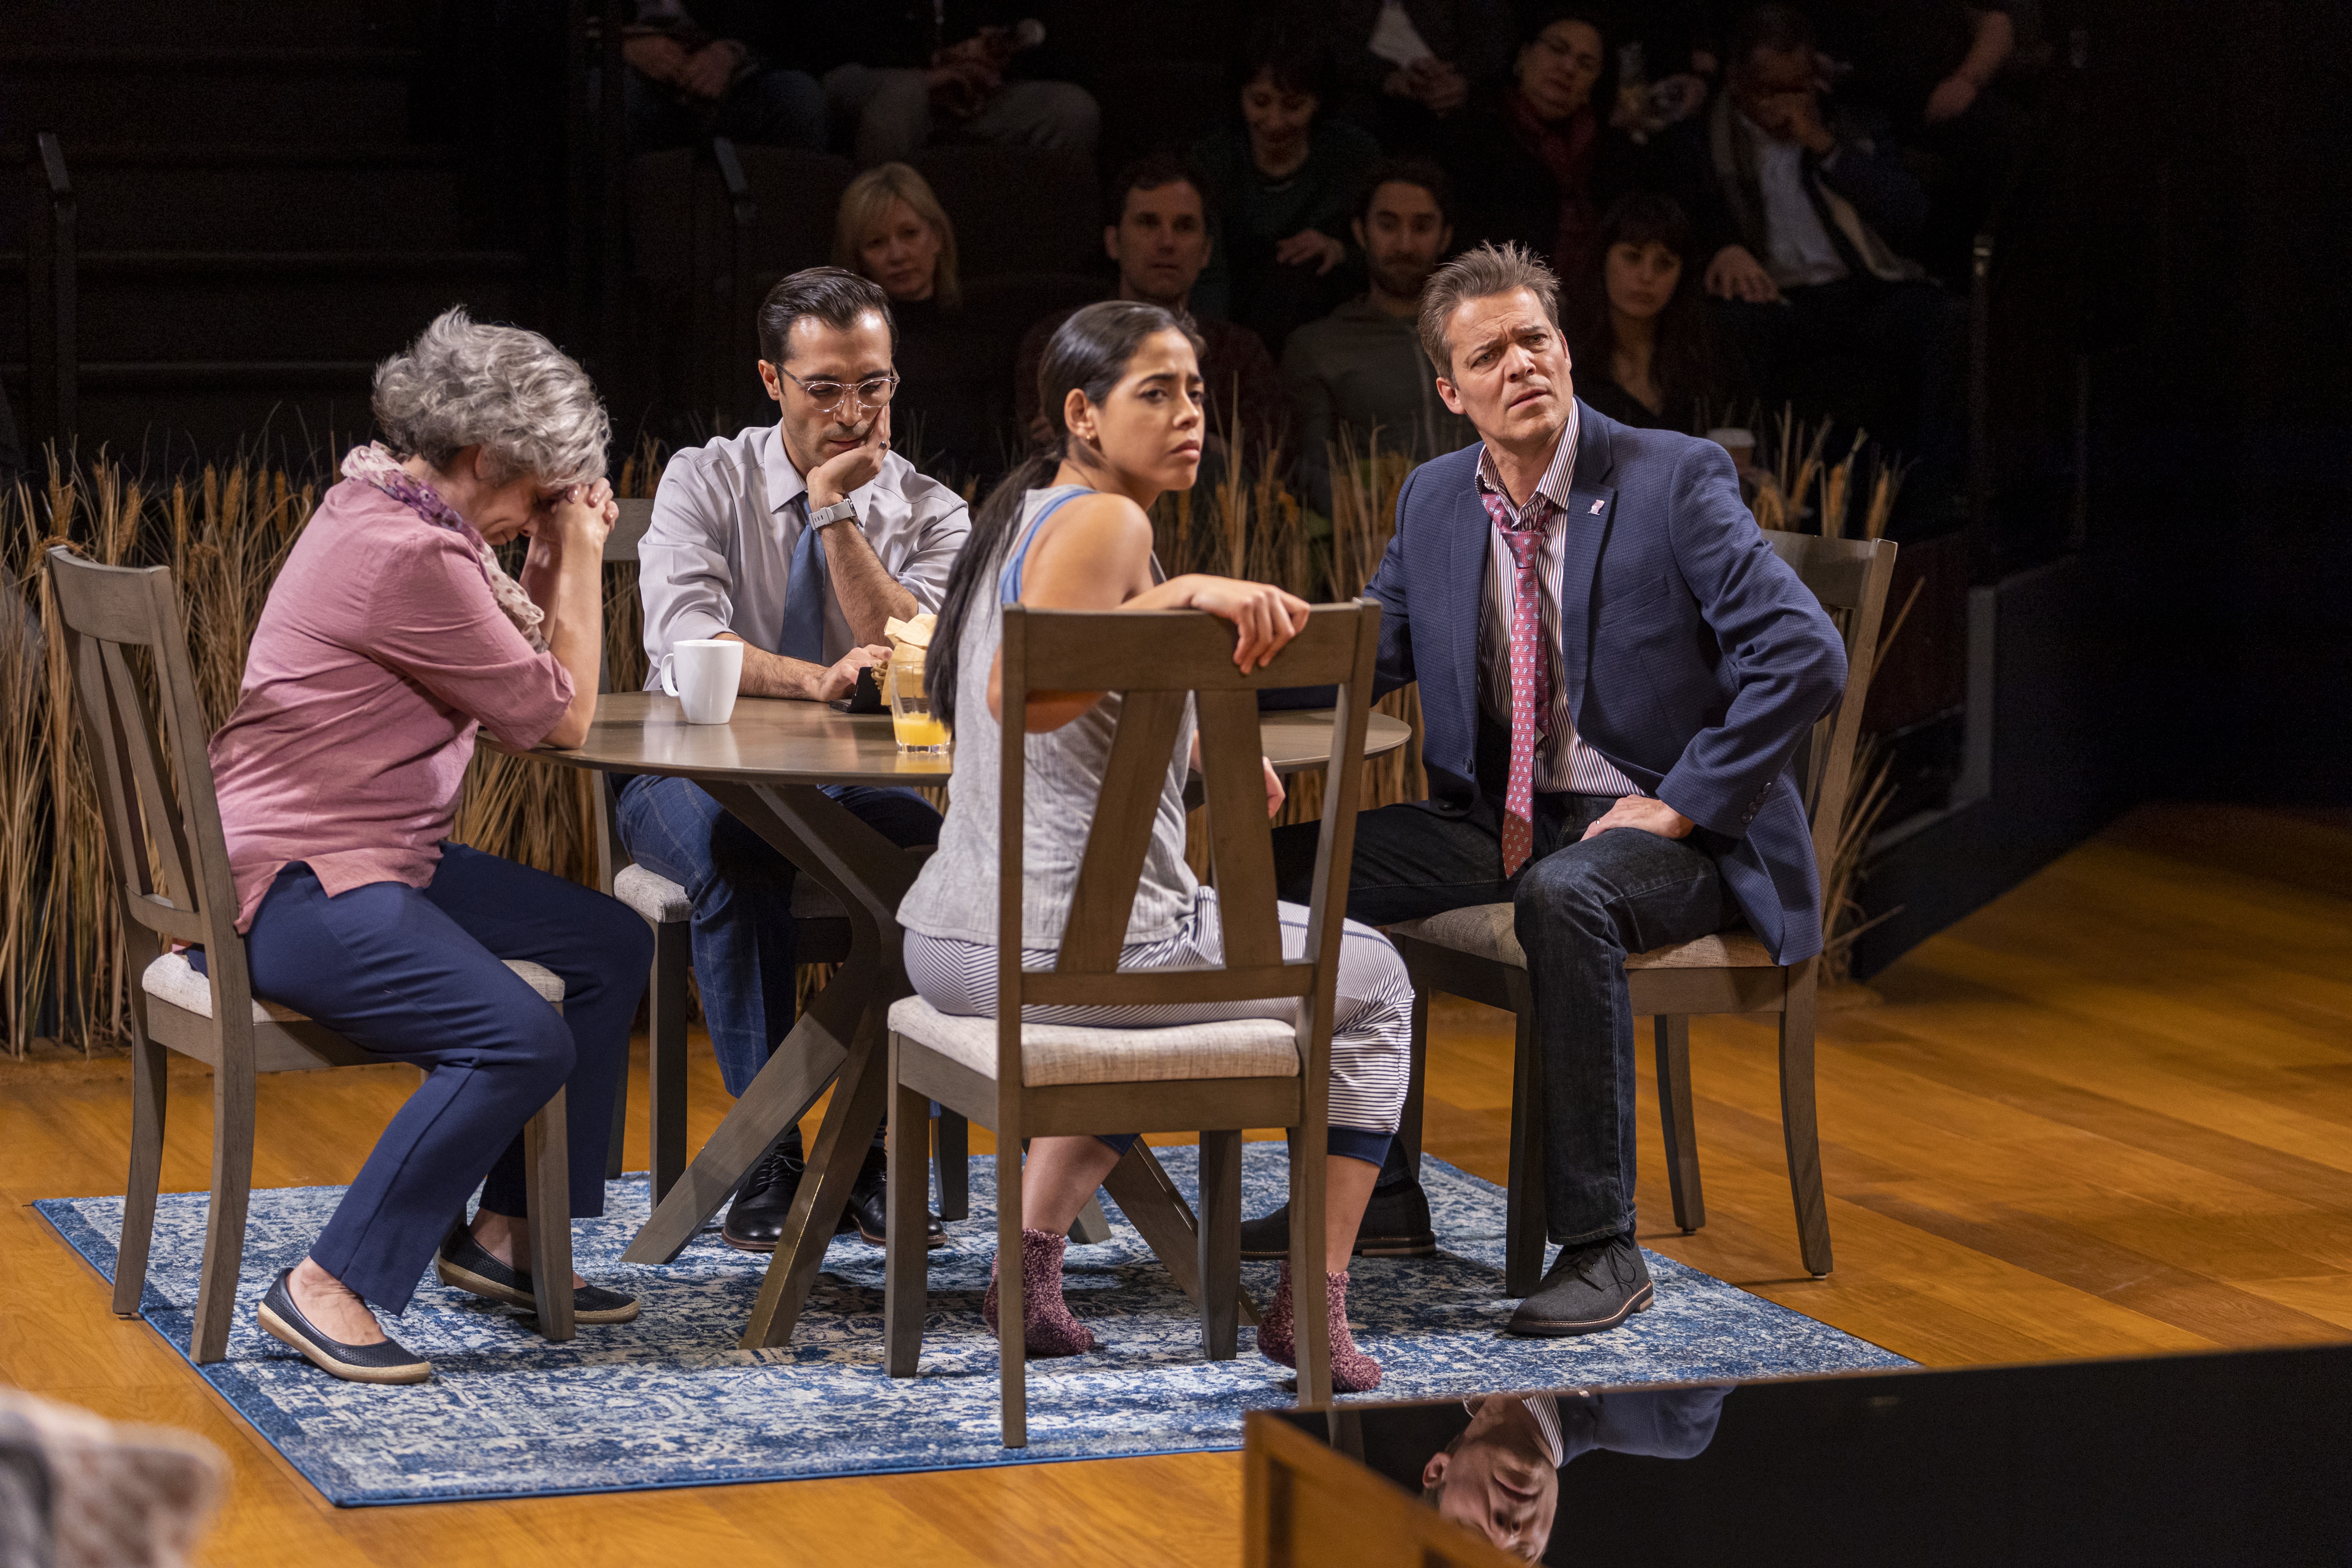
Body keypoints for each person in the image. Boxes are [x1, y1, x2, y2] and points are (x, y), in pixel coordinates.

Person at [1244, 243, 1847, 1337]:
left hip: (1677, 832)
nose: (1519, 363)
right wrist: (1201, 687)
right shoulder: (1437, 498)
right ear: (1451, 389)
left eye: (1535, 340)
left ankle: (1603, 1246)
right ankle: (1372, 1191)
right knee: (1292, 868)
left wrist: (1683, 800)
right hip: (1504, 816)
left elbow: (1804, 653)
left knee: (1563, 895)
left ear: (1564, 350)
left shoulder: (1671, 477)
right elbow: (1362, 651)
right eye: (1489, 353)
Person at [902, 300, 1415, 1392]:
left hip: (947, 935)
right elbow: (1022, 692)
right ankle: (1311, 1307)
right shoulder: (1113, 525)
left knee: (1169, 982)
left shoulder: (1028, 514)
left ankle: (1026, 1274)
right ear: (1080, 414)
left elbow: (1089, 709)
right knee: (1373, 987)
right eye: (1156, 392)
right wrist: (1184, 593)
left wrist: (1203, 752)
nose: (1189, 414)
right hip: (1049, 957)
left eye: (1192, 388)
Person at [202, 309, 653, 1384]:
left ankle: (506, 1234)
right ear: (484, 456)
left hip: (369, 854)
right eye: (536, 489)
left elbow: (519, 683)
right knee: (515, 1038)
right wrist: (581, 553)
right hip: (300, 885)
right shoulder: (409, 557)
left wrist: (544, 548)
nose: (536, 511)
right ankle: (330, 1280)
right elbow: (561, 719)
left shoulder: (377, 507)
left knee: (604, 943)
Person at [622, 268, 968, 1253]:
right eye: (826, 388)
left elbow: (923, 660)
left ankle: (870, 1143)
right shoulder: (704, 478)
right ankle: (770, 1146)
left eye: (876, 385)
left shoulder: (935, 510)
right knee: (745, 850)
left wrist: (834, 512)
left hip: (858, 783)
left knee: (936, 870)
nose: (855, 412)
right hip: (687, 778)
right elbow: (686, 643)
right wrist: (818, 683)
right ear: (772, 380)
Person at [1698, 4, 1964, 484]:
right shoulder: (1710, 136)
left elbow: (1910, 214)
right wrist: (1724, 246)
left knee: (1946, 319)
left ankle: (1936, 488)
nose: (1784, 104)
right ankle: (1758, 493)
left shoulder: (1847, 125)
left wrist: (1823, 145)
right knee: (1735, 328)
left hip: (1862, 287)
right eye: (1768, 91)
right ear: (1738, 82)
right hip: (1779, 298)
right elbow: (1691, 210)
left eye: (1796, 88)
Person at [1012, 153, 1286, 451]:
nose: (1167, 242)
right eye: (1148, 223)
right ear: (1114, 242)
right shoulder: (1057, 342)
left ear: (1206, 251)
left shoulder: (1239, 356)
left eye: (1184, 226)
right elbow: (1042, 456)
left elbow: (1263, 472)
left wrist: (1108, 430)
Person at [1446, 6, 1712, 289]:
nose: (1569, 68)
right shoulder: (1471, 135)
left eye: (1585, 64)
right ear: (1524, 56)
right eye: (1557, 50)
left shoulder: (1615, 152)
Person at [1283, 156, 1477, 513]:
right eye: (1388, 226)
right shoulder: (1321, 346)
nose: (1404, 245)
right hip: (1377, 551)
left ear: (1445, 236)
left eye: (1422, 227)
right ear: (1360, 232)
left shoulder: (1484, 337)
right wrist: (1384, 513)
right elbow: (1306, 471)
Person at [1190, 22, 1381, 358]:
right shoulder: (1211, 162)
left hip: (1330, 318)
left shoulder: (1354, 155)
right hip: (1238, 315)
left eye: (1293, 105)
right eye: (1261, 102)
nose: (1275, 121)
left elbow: (1390, 251)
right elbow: (1210, 275)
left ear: (1319, 102)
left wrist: (1339, 250)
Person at [1411, 1386, 1732, 1559]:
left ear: (1439, 1470)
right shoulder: (1669, 1420)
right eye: (1522, 1559)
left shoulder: (1408, 1352)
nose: (1508, 1534)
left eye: (1473, 1538)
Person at [833, 162, 998, 482]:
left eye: (910, 234)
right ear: (858, 259)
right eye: (876, 243)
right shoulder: (847, 345)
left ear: (937, 237)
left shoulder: (982, 334)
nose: (897, 255)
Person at [820, 4, 1099, 167]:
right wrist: (934, 66)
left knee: (1071, 110)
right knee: (903, 97)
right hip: (873, 76)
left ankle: (1049, 246)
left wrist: (998, 55)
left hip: (968, 89)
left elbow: (1041, 37)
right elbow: (845, 37)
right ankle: (882, 234)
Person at [1567, 192, 1750, 433]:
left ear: (1682, 275)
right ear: (1603, 259)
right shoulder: (1567, 363)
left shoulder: (1706, 360)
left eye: (1664, 264)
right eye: (1633, 257)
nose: (1647, 277)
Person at [620, 0, 826, 152]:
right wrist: (627, 46)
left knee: (799, 99)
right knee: (606, 103)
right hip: (636, 78)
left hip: (737, 74)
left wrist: (730, 53)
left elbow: (786, 30)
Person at [1321, 0, 1513, 152]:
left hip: (1454, 88)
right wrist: (1387, 77)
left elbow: (1494, 33)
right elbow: (1317, 37)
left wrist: (1462, 77)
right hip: (1364, 93)